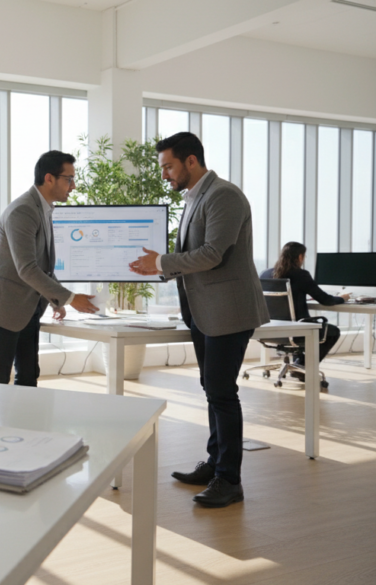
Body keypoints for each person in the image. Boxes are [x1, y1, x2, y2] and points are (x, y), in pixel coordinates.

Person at [129, 132, 268, 508]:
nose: (165, 175)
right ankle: (215, 463)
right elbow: (192, 255)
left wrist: (160, 262)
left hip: (228, 311)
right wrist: (158, 265)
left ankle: (229, 480)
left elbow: (212, 254)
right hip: (204, 310)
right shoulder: (195, 198)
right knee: (212, 388)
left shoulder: (224, 195)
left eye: (168, 167)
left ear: (191, 161)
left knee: (222, 392)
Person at [0, 150, 98, 387]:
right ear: (49, 178)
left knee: (29, 374)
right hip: (5, 306)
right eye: (68, 179)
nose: (73, 186)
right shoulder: (23, 210)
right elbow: (27, 268)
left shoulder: (43, 208)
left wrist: (56, 300)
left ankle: (26, 423)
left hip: (28, 305)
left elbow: (43, 266)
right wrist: (70, 298)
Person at [261, 241, 348, 377]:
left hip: (269, 331)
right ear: (300, 257)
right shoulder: (301, 275)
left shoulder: (265, 274)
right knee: (332, 331)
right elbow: (326, 300)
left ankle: (298, 364)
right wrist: (343, 298)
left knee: (302, 326)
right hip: (295, 331)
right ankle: (301, 368)